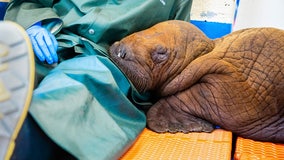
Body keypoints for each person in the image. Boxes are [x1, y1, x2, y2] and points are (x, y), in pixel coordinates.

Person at [3, 0, 192, 159]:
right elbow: (29, 2)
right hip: (54, 39)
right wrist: (35, 24)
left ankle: (25, 140)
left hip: (114, 61)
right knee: (19, 62)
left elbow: (179, 45)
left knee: (78, 82)